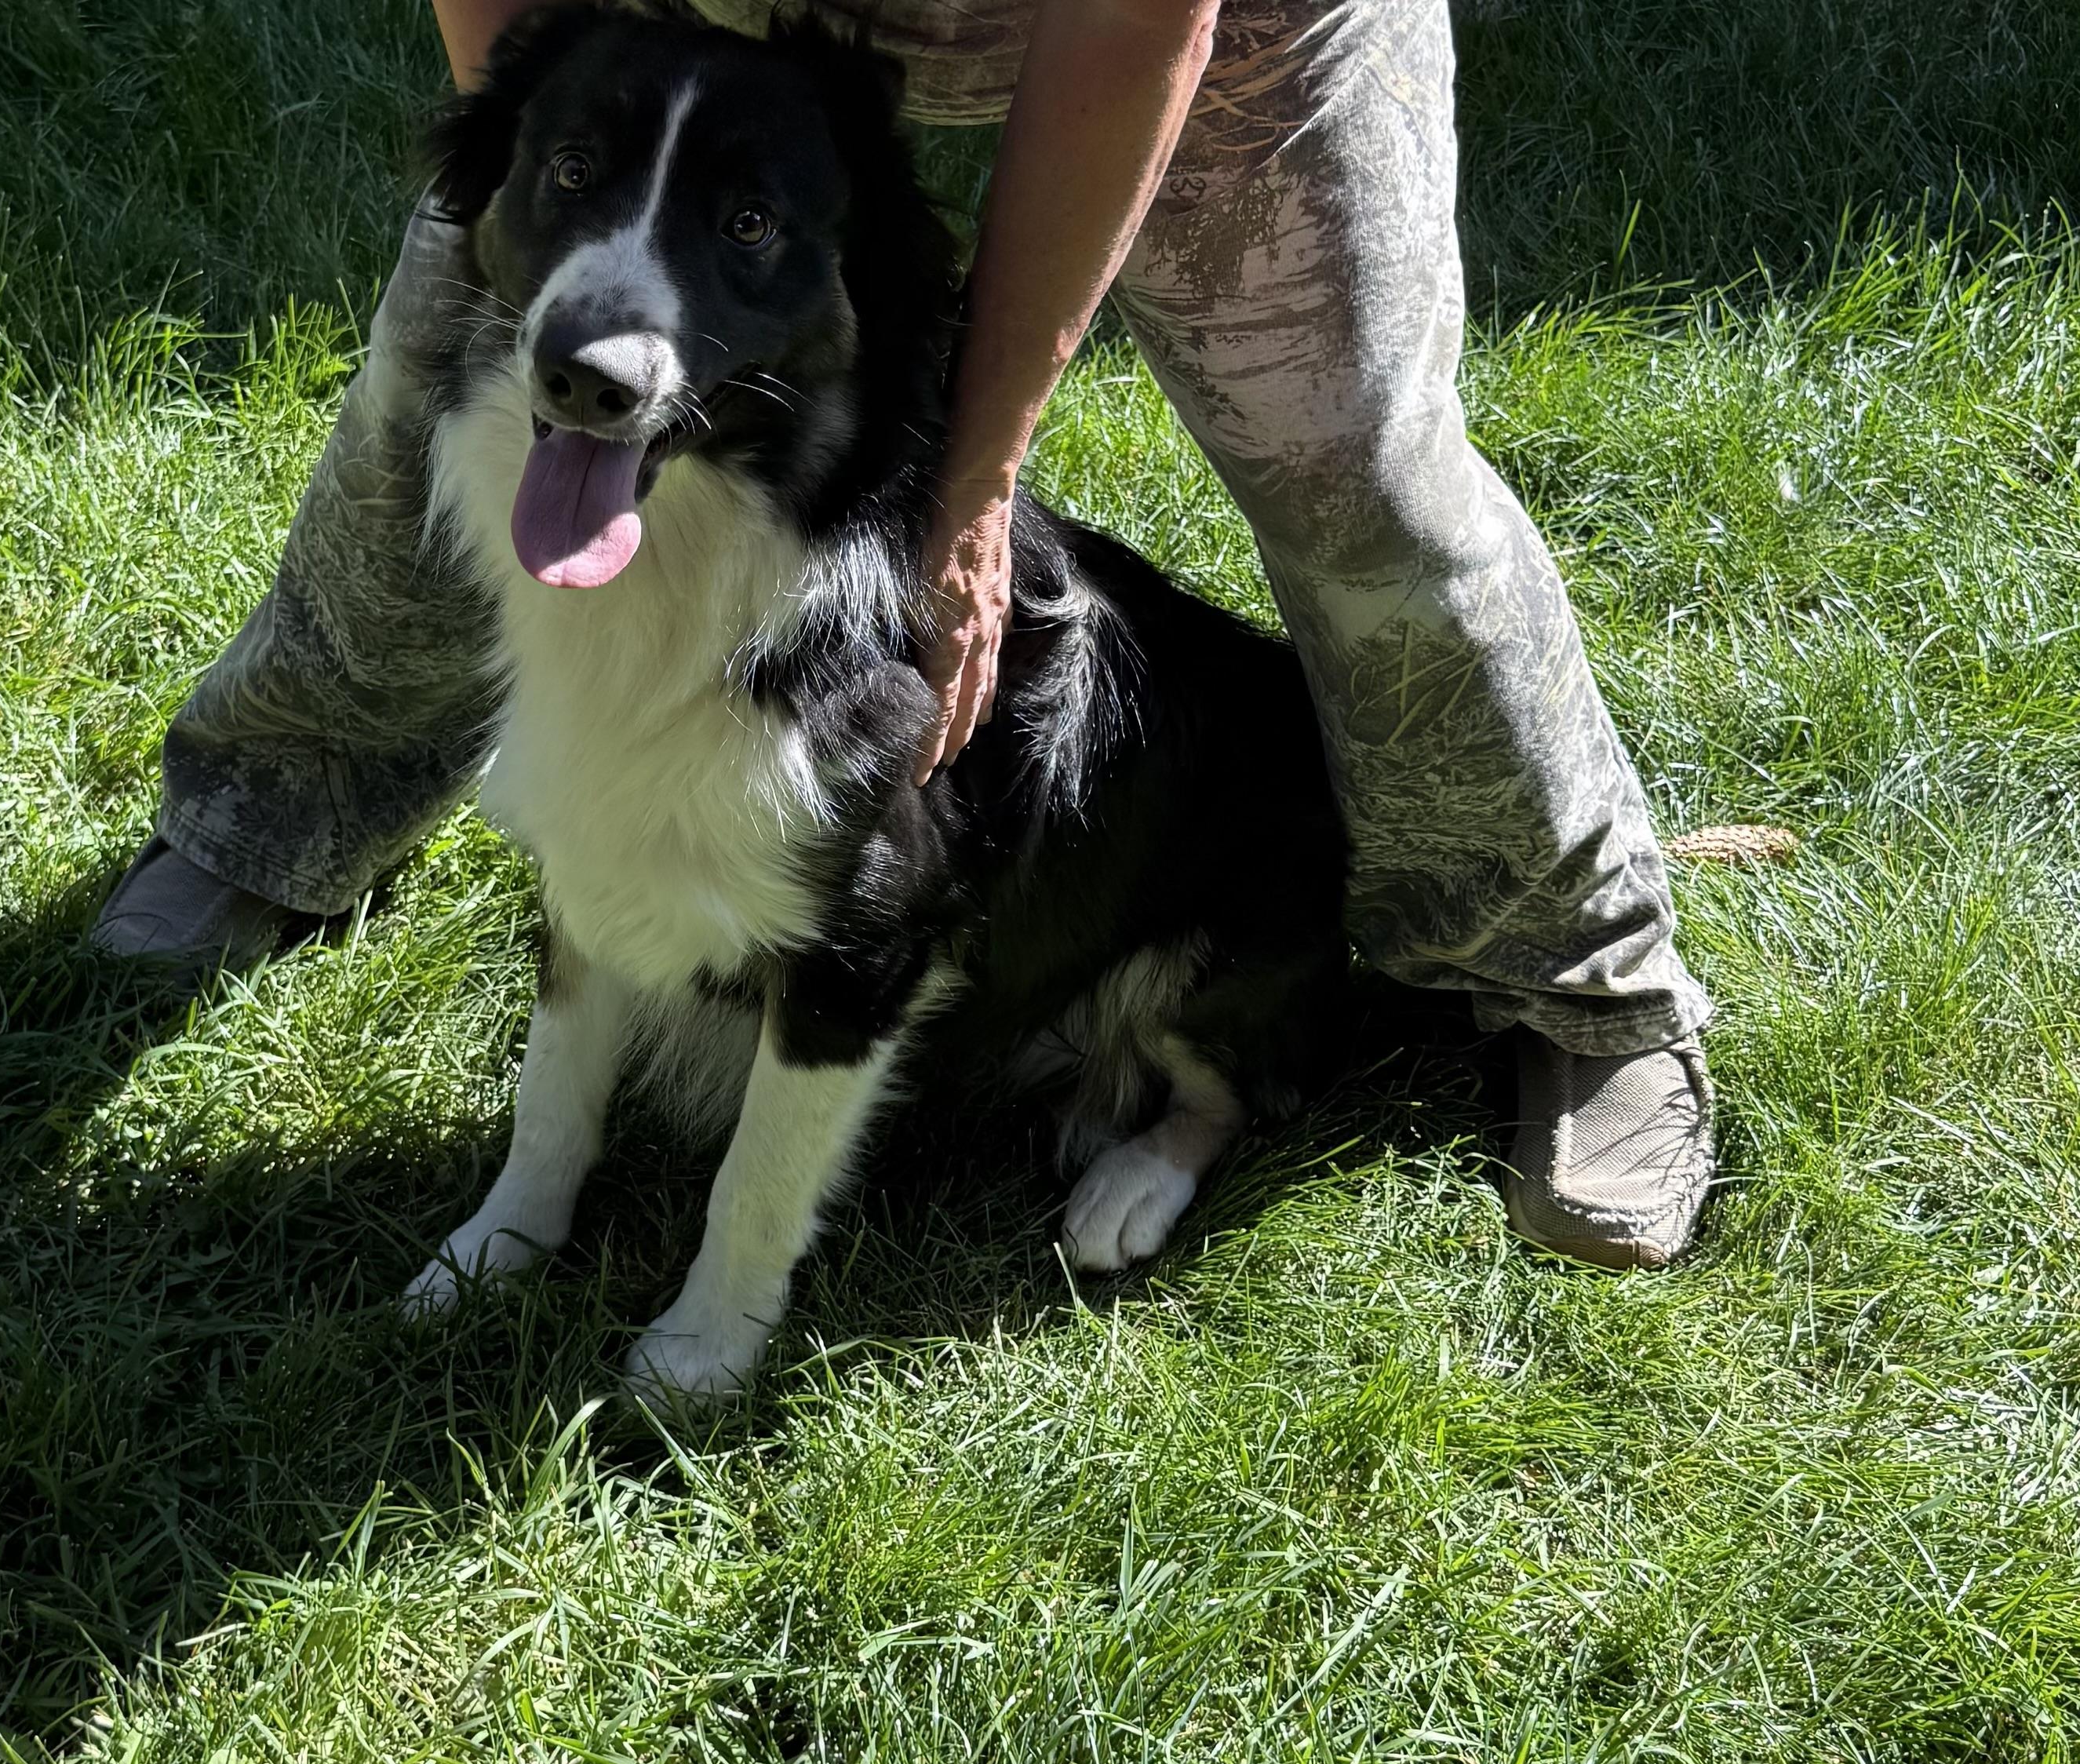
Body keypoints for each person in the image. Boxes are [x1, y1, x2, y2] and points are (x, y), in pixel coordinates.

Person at [93, 0, 1718, 1268]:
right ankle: (274, 808)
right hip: (704, 27)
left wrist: (975, 471)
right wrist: (527, 168)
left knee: (1355, 468)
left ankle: (1582, 984)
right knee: (449, 387)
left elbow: (1131, 23)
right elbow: (510, 140)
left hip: (1194, 32)